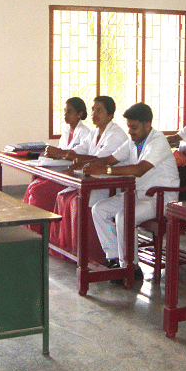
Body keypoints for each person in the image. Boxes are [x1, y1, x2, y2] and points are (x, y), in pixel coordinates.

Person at [87, 103, 179, 278]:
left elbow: (139, 169)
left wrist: (105, 171)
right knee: (100, 209)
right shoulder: (133, 142)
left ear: (147, 124)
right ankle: (114, 258)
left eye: (134, 128)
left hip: (160, 198)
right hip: (138, 195)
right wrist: (90, 165)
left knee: (124, 216)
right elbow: (111, 159)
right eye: (129, 127)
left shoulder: (158, 141)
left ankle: (131, 267)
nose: (130, 132)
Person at [49, 96, 129, 260]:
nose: (94, 113)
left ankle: (89, 254)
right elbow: (80, 151)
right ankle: (68, 249)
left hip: (109, 185)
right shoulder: (94, 133)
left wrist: (64, 155)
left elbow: (99, 160)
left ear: (110, 114)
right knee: (62, 196)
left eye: (99, 110)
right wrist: (69, 156)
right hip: (91, 182)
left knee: (77, 202)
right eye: (93, 110)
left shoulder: (116, 135)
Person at [22, 97, 92, 214]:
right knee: (32, 186)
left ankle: (41, 225)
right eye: (65, 111)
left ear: (79, 114)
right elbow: (60, 152)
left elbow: (78, 155)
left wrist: (60, 154)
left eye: (69, 111)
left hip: (72, 174)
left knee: (38, 190)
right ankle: (29, 224)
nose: (65, 114)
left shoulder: (85, 132)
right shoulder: (66, 131)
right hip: (60, 170)